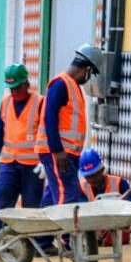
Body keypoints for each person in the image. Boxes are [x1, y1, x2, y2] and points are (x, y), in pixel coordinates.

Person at [35, 44, 104, 208]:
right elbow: (49, 117)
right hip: (60, 154)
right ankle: (66, 235)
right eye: (91, 73)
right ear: (86, 69)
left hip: (65, 154)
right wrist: (57, 151)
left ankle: (42, 234)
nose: (89, 78)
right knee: (68, 197)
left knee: (53, 196)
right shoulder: (61, 84)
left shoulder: (73, 87)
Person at [0, 63, 44, 233]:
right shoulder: (5, 102)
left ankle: (32, 241)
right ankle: (0, 237)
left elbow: (47, 133)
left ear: (26, 84)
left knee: (32, 206)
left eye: (17, 88)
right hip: (9, 162)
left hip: (32, 166)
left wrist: (45, 160)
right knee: (3, 199)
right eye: (11, 88)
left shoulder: (40, 103)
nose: (14, 92)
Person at [79, 148, 131, 246]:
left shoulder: (119, 183)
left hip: (117, 229)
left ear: (102, 170)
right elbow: (80, 214)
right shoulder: (81, 187)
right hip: (92, 233)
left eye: (94, 175)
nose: (92, 179)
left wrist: (127, 222)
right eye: (88, 176)